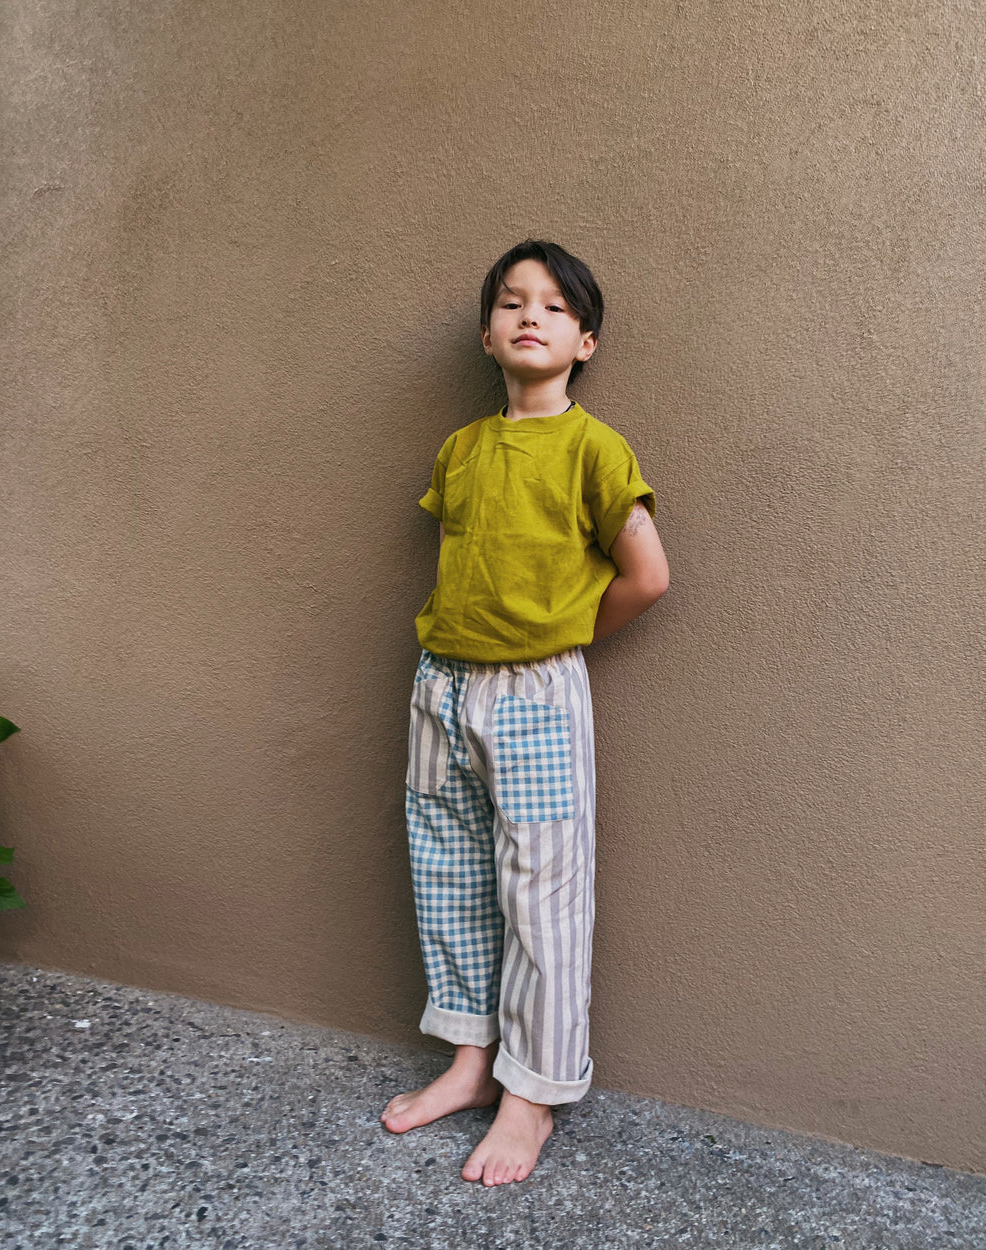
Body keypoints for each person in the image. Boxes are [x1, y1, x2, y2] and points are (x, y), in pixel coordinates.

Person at [381, 240, 669, 1187]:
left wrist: (562, 638)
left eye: (553, 306)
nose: (530, 316)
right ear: (487, 332)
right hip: (441, 685)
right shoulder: (461, 449)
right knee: (449, 875)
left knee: (542, 892)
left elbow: (647, 576)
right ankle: (469, 1059)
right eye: (512, 303)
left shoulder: (595, 447)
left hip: (535, 693)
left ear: (584, 340)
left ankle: (532, 1091)